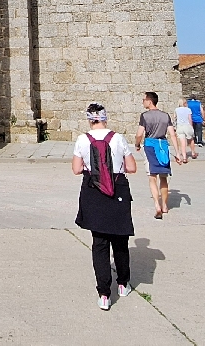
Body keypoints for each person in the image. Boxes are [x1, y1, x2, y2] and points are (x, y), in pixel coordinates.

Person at [73, 103, 137, 310]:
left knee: (99, 243)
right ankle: (123, 283)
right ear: (105, 118)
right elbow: (132, 168)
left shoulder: (82, 140)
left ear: (90, 120)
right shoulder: (118, 138)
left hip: (93, 191)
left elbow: (76, 169)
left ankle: (103, 294)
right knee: (120, 240)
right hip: (117, 189)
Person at [135, 92, 175, 219]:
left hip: (150, 145)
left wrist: (137, 144)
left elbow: (139, 133)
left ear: (149, 101)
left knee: (152, 177)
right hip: (163, 146)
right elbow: (172, 134)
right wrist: (178, 152)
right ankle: (164, 205)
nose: (143, 102)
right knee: (163, 177)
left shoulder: (145, 116)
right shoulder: (165, 115)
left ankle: (157, 205)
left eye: (144, 100)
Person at [172, 99, 194, 164]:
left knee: (182, 143)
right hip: (187, 125)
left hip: (180, 126)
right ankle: (193, 152)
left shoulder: (176, 110)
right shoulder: (188, 109)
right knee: (191, 139)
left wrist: (174, 126)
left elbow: (175, 118)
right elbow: (190, 119)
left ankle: (184, 157)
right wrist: (191, 126)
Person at [186, 94, 204, 159]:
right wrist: (203, 118)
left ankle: (194, 141)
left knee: (192, 131)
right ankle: (200, 142)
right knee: (199, 131)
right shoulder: (198, 103)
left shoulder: (188, 103)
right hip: (198, 118)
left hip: (191, 119)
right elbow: (201, 111)